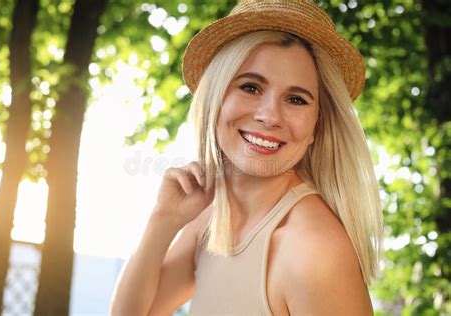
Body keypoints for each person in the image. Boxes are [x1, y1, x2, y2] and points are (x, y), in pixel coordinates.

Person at [110, 0, 383, 315]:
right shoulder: (210, 219)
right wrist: (163, 219)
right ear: (216, 98)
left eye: (296, 99)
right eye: (251, 87)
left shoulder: (313, 248)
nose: (270, 116)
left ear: (316, 128)